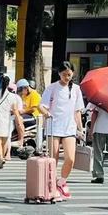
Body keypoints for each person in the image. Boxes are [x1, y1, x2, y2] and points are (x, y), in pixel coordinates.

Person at [38, 61, 85, 199]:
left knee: (70, 158)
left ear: (73, 74)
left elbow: (77, 112)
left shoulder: (76, 89)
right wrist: (47, 114)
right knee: (53, 159)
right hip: (54, 127)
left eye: (69, 75)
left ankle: (62, 181)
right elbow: (41, 106)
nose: (67, 77)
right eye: (64, 74)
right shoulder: (52, 88)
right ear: (59, 73)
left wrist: (80, 129)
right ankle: (51, 185)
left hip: (69, 128)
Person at [0, 75, 24, 169]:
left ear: (0, 84)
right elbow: (15, 110)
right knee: (5, 141)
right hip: (7, 120)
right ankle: (2, 158)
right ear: (8, 84)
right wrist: (19, 120)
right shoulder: (12, 96)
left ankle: (0, 158)